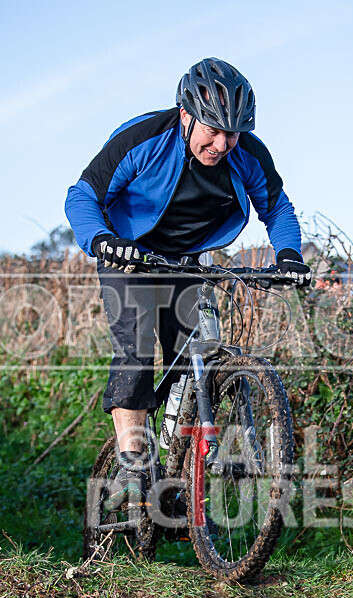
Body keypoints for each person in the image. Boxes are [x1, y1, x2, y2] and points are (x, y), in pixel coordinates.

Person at [65, 57, 310, 507]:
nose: (221, 144)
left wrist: (289, 254)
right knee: (136, 347)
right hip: (129, 256)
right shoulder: (143, 138)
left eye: (231, 133)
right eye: (212, 130)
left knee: (191, 363)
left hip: (187, 260)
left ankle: (177, 473)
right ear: (186, 114)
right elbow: (83, 195)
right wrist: (102, 239)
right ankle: (132, 464)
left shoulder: (248, 155)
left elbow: (276, 208)